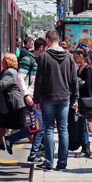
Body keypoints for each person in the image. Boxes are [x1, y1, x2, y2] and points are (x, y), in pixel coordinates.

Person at [33, 30, 78, 171]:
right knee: (63, 130)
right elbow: (74, 79)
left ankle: (49, 162)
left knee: (49, 129)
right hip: (65, 97)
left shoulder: (44, 57)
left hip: (48, 97)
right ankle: (62, 163)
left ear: (47, 40)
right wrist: (75, 97)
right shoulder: (69, 57)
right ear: (58, 39)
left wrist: (36, 99)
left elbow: (39, 81)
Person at [3, 37, 46, 162]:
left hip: (36, 98)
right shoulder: (28, 59)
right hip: (31, 98)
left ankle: (33, 153)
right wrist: (26, 95)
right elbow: (19, 77)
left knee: (39, 127)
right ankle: (12, 141)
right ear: (42, 48)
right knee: (37, 126)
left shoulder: (40, 60)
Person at [0, 53, 26, 149]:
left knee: (23, 127)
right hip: (8, 106)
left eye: (3, 61)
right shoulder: (7, 71)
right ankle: (1, 144)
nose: (2, 63)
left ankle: (37, 146)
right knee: (0, 123)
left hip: (14, 105)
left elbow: (1, 85)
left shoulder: (10, 72)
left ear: (8, 62)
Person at [73, 48, 92, 157]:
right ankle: (84, 147)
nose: (74, 59)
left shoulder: (87, 69)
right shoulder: (80, 68)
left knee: (84, 124)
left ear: (81, 56)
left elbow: (89, 85)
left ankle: (86, 148)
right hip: (81, 99)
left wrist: (78, 83)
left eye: (75, 57)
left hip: (86, 99)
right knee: (82, 124)